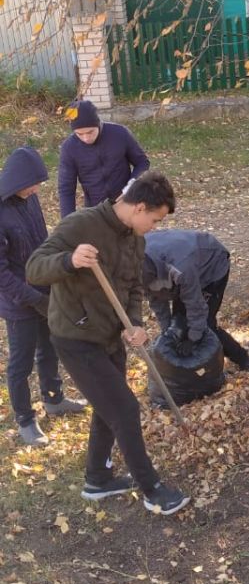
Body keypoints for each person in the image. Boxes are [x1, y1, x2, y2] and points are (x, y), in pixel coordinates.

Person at [26, 171, 191, 516]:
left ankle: (98, 480)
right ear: (139, 207)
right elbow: (34, 269)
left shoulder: (135, 239)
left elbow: (133, 288)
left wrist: (135, 323)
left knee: (109, 408)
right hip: (76, 337)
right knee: (125, 409)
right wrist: (69, 260)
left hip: (110, 336)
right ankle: (152, 490)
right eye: (155, 220)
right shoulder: (81, 225)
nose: (154, 227)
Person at [0, 147, 87, 446]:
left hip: (44, 289)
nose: (37, 188)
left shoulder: (30, 199)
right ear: (18, 179)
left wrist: (56, 269)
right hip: (17, 303)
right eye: (33, 183)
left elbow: (41, 241)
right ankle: (25, 419)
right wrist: (33, 299)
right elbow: (1, 275)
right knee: (21, 363)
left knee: (49, 348)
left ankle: (54, 399)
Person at [143, 228, 249, 372]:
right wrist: (167, 332)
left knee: (205, 326)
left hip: (212, 265)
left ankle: (245, 359)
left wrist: (193, 338)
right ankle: (194, 371)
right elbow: (156, 300)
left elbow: (196, 305)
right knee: (179, 325)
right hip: (183, 269)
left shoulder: (180, 268)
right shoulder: (132, 265)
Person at [58, 98, 150, 217]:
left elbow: (142, 162)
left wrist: (131, 185)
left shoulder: (119, 133)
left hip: (127, 202)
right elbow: (66, 188)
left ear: (98, 124)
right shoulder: (69, 148)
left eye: (90, 132)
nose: (86, 138)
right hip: (96, 209)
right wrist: (67, 221)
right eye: (79, 134)